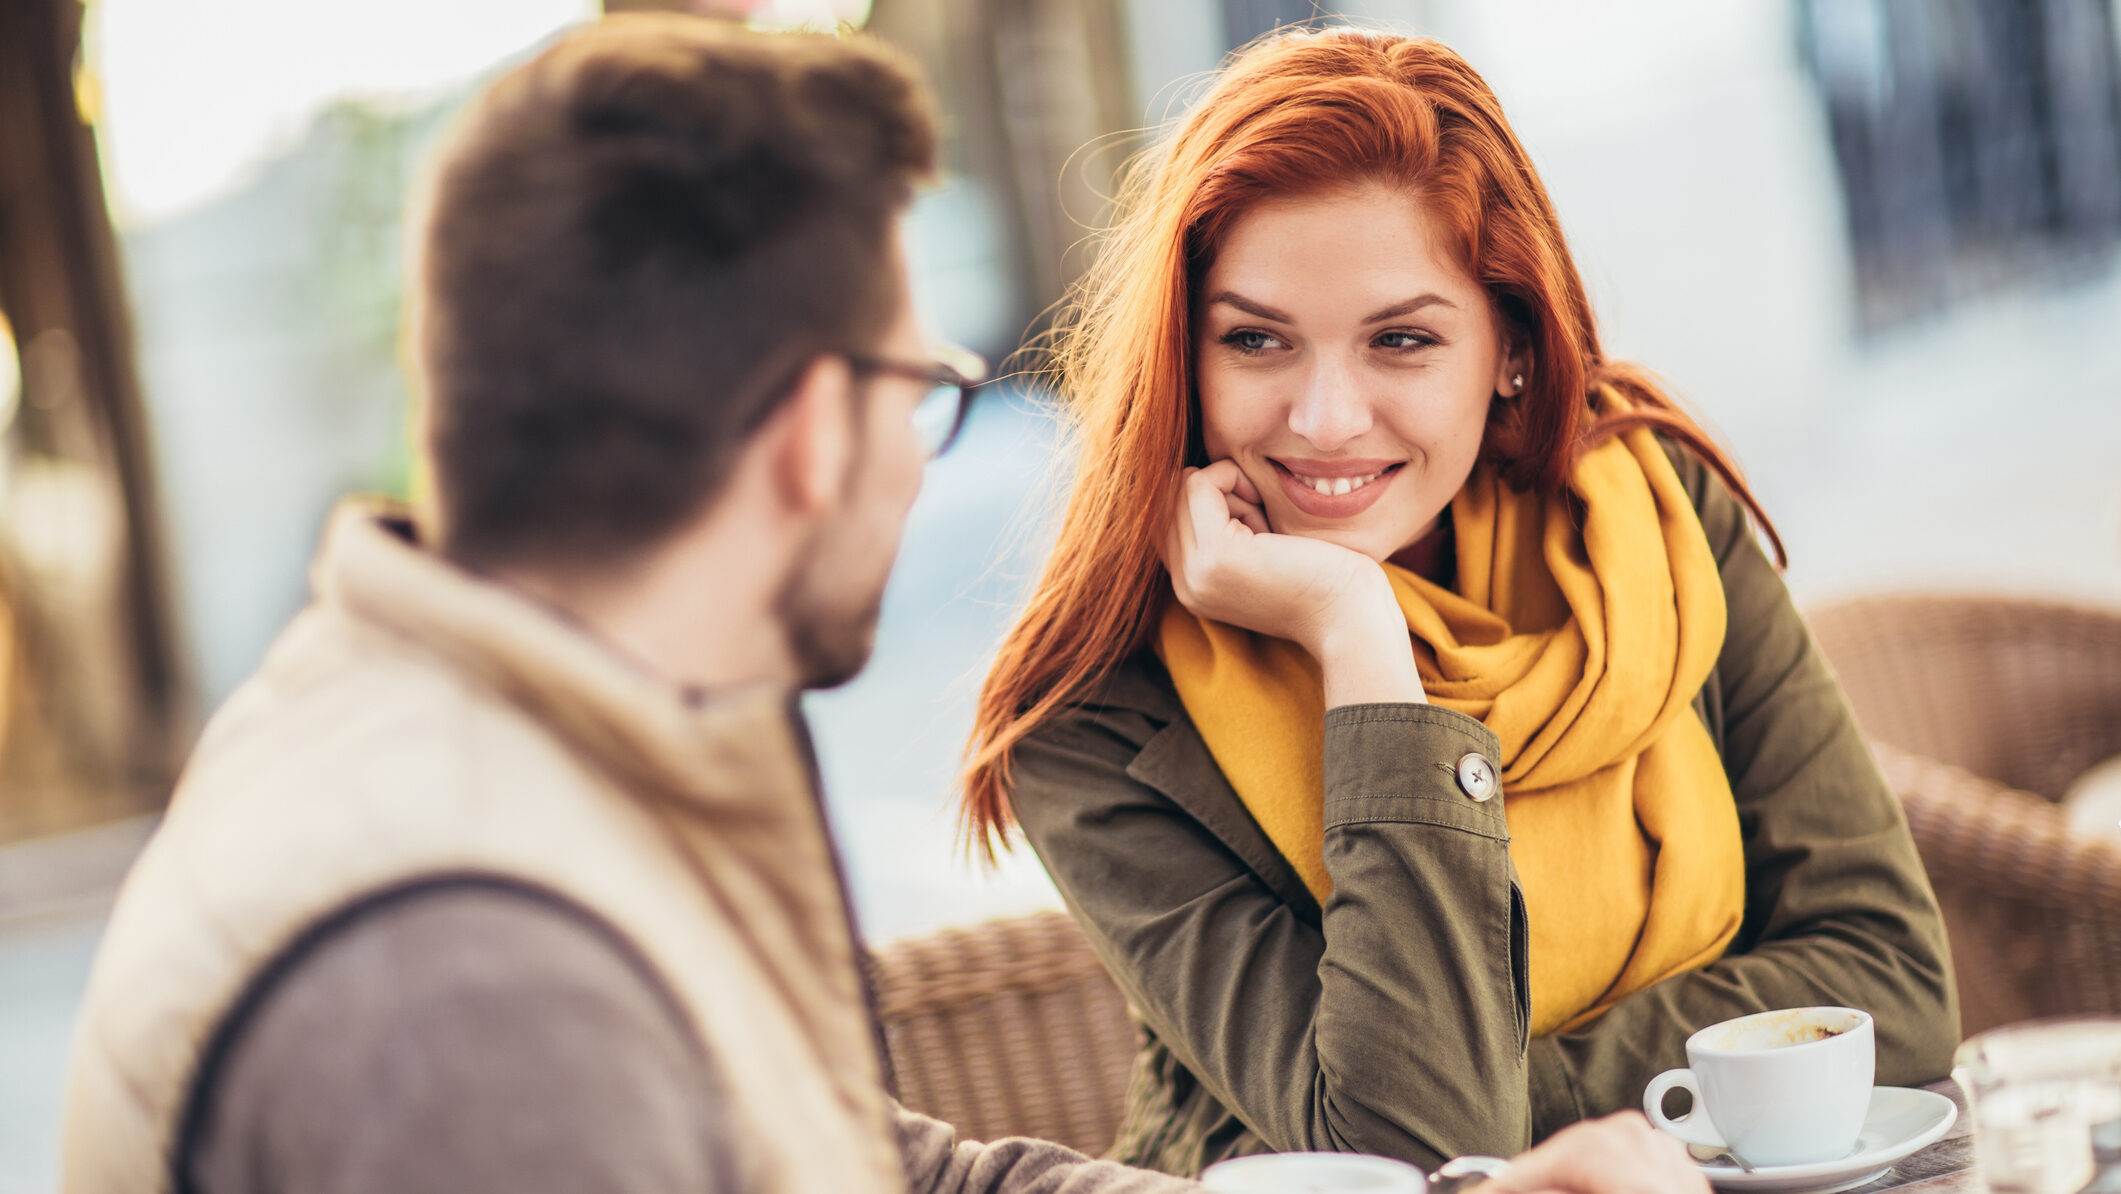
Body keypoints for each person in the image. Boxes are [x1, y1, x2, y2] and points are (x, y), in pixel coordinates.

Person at [56, 15, 1703, 1194]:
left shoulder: (479, 717)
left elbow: (855, 1150)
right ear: (802, 435)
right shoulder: (475, 982)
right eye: (925, 387)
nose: (927, 461)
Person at [962, 26, 1960, 1177]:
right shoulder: (1101, 719)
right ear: (1182, 357)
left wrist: (1508, 1086)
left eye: (1401, 340)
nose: (1326, 417)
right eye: (1254, 340)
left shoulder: (1649, 512)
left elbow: (1891, 980)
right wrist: (1355, 635)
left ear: (1511, 348)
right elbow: (1409, 1151)